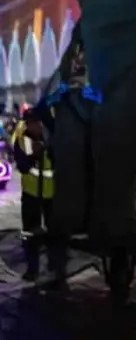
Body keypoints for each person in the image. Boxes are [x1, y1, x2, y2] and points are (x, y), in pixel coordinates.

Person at [11, 109, 67, 284]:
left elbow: (61, 162)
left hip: (51, 194)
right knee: (30, 233)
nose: (32, 126)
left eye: (35, 123)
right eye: (29, 123)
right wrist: (34, 155)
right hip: (31, 194)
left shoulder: (53, 141)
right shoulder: (21, 141)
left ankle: (57, 268)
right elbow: (22, 166)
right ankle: (32, 269)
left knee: (55, 233)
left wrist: (47, 150)